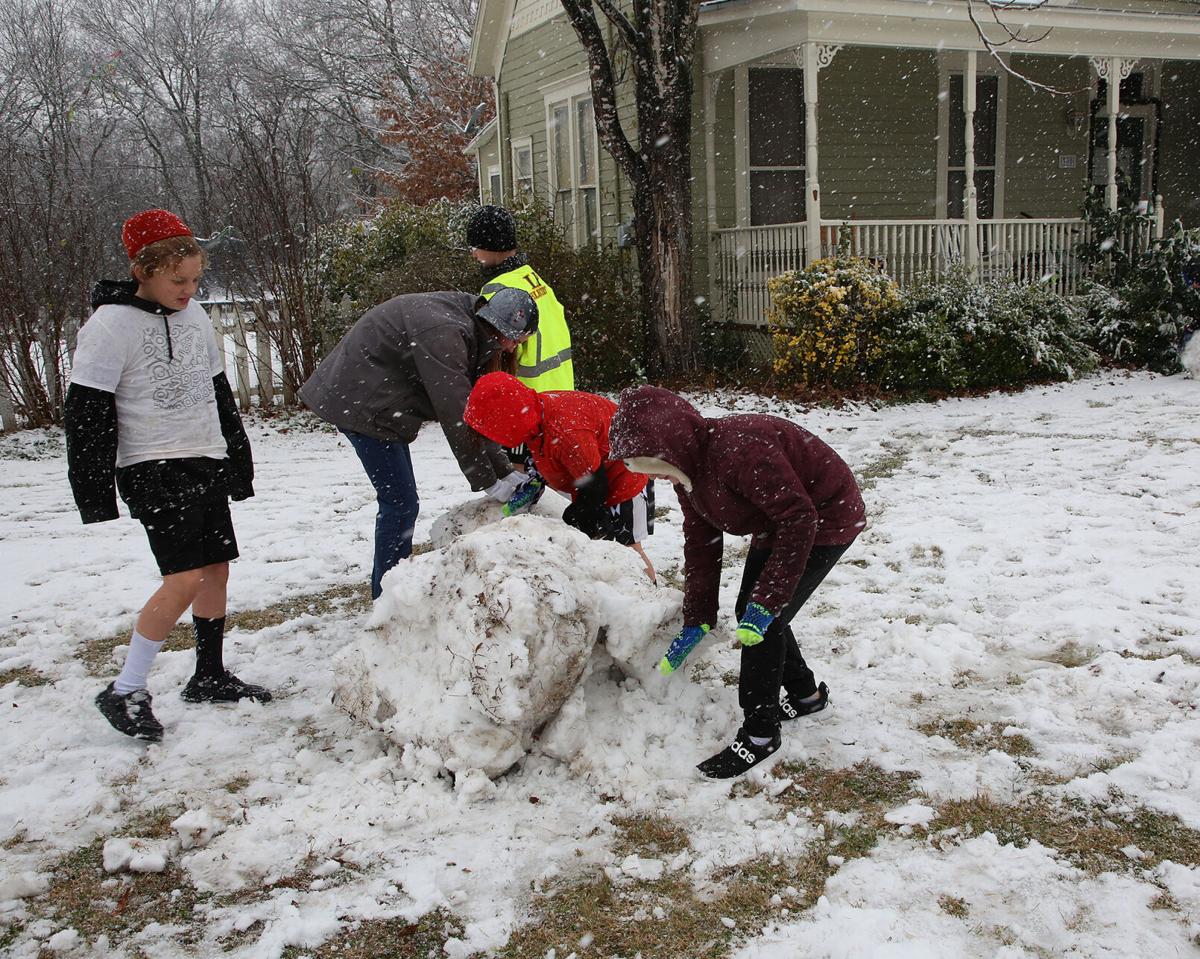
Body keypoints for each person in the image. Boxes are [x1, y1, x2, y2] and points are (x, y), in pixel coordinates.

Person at [65, 208, 268, 744]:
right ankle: (126, 687)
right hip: (152, 466)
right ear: (143, 271)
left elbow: (220, 392)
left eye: (196, 279)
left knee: (216, 569)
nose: (189, 289)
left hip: (204, 458)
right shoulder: (109, 326)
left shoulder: (197, 317)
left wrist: (236, 458)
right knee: (183, 579)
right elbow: (86, 412)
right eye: (178, 280)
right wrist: (94, 492)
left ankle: (208, 674)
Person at [609, 385, 866, 779]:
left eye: (653, 465)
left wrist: (769, 600)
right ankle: (806, 695)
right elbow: (701, 542)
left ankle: (761, 734)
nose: (656, 477)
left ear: (670, 446)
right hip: (777, 519)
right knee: (759, 612)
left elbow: (799, 518)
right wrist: (698, 617)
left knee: (762, 617)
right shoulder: (687, 472)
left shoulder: (739, 452)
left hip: (823, 517)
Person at [299, 288, 538, 599]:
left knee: (401, 501)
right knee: (400, 503)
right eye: (516, 341)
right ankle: (388, 598)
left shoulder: (475, 327)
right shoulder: (445, 333)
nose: (514, 349)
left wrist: (506, 472)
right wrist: (490, 482)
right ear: (502, 330)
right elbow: (458, 415)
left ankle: (392, 588)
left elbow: (477, 414)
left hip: (378, 398)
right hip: (362, 402)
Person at [463, 372, 656, 582]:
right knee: (596, 542)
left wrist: (582, 517)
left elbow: (594, 485)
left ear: (507, 421)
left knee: (628, 548)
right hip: (594, 474)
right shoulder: (535, 414)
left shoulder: (566, 431)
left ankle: (648, 596)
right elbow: (545, 459)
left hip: (628, 474)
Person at [467, 205, 573, 392]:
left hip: (528, 401)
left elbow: (494, 362)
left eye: (475, 246)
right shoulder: (532, 279)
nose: (473, 253)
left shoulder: (497, 291)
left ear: (491, 246)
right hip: (560, 395)